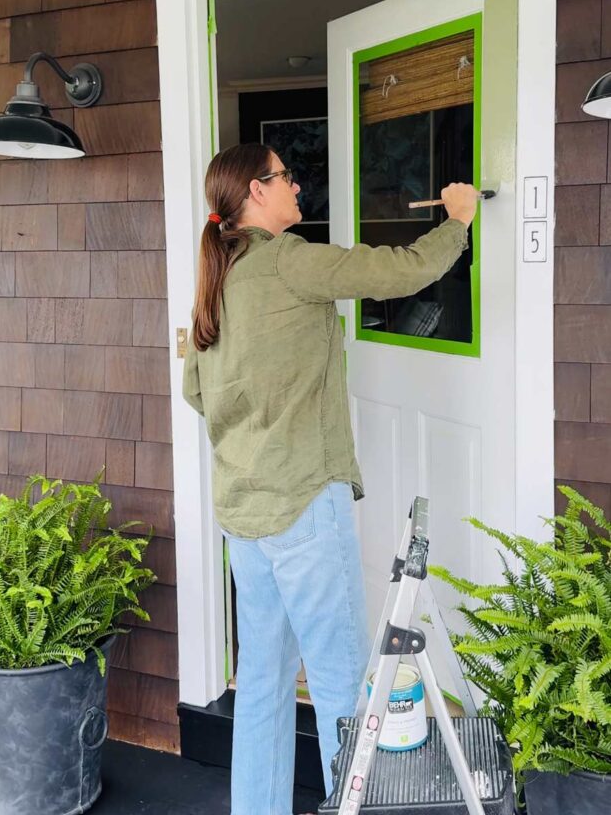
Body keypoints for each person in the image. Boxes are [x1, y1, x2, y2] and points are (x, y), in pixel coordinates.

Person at [183, 142, 478, 815]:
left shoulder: (218, 279)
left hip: (245, 512)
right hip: (301, 508)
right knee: (345, 688)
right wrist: (457, 219)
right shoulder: (288, 260)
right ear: (256, 192)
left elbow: (197, 392)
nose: (295, 187)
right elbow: (399, 271)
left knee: (262, 682)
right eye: (284, 177)